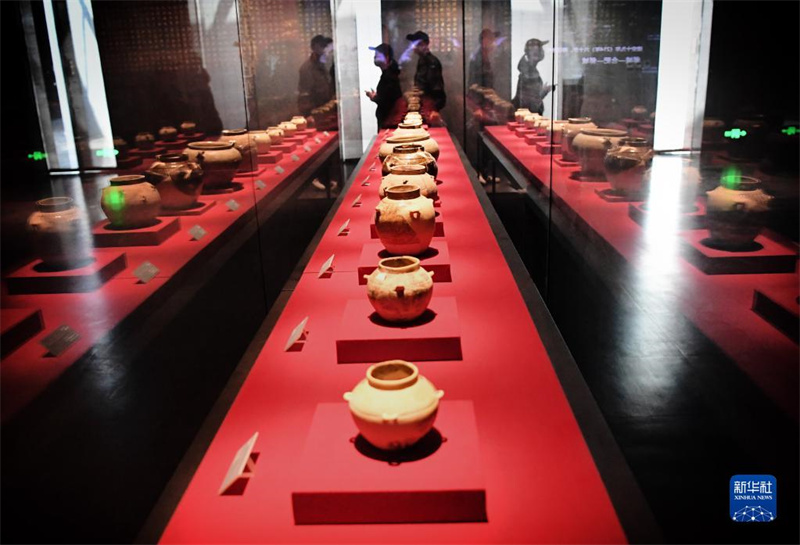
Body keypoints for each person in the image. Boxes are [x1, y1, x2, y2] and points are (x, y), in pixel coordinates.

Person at [404, 30, 446, 111]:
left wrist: (433, 107)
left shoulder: (431, 62)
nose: (413, 47)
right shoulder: (422, 60)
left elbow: (435, 87)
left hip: (430, 104)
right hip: (424, 103)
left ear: (424, 45)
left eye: (415, 44)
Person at [512, 38, 554, 115]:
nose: (543, 52)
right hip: (527, 116)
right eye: (540, 49)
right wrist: (543, 92)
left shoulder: (529, 69)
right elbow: (529, 102)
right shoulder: (528, 72)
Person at [365, 43, 403, 129]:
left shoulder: (390, 76)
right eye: (375, 55)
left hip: (390, 122)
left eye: (378, 55)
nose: (375, 57)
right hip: (388, 121)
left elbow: (388, 100)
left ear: (387, 57)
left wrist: (374, 97)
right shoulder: (390, 73)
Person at [298, 35, 335, 116]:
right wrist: (309, 114)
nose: (326, 50)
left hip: (326, 110)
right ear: (314, 48)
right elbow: (305, 95)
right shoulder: (307, 68)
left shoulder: (324, 64)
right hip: (316, 112)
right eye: (322, 46)